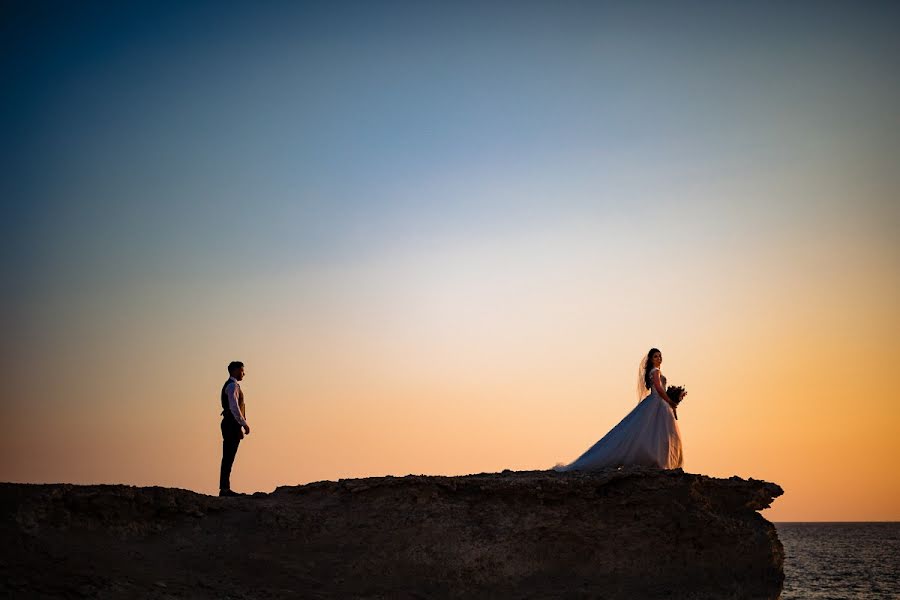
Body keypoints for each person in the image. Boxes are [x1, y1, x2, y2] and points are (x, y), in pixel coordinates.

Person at [555, 348, 683, 471]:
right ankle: (658, 460)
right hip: (657, 402)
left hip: (657, 403)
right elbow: (659, 389)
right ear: (650, 359)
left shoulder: (655, 371)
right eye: (656, 356)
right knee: (659, 432)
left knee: (654, 432)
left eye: (660, 356)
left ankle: (657, 460)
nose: (659, 358)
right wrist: (670, 400)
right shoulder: (655, 371)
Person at [219, 361, 250, 496]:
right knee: (228, 456)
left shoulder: (232, 385)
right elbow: (234, 407)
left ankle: (225, 488)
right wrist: (244, 424)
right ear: (235, 370)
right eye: (242, 371)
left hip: (231, 424)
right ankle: (225, 489)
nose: (244, 373)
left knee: (228, 456)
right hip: (231, 424)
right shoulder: (232, 386)